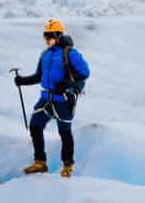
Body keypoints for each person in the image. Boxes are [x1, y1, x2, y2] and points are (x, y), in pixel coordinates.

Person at [13, 19, 90, 178]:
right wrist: (22, 81)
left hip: (63, 99)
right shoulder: (45, 54)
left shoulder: (70, 53)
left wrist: (67, 84)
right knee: (35, 126)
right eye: (45, 36)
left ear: (59, 35)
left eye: (50, 36)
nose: (47, 39)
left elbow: (85, 73)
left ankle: (67, 165)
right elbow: (39, 76)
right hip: (46, 98)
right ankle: (40, 162)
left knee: (64, 132)